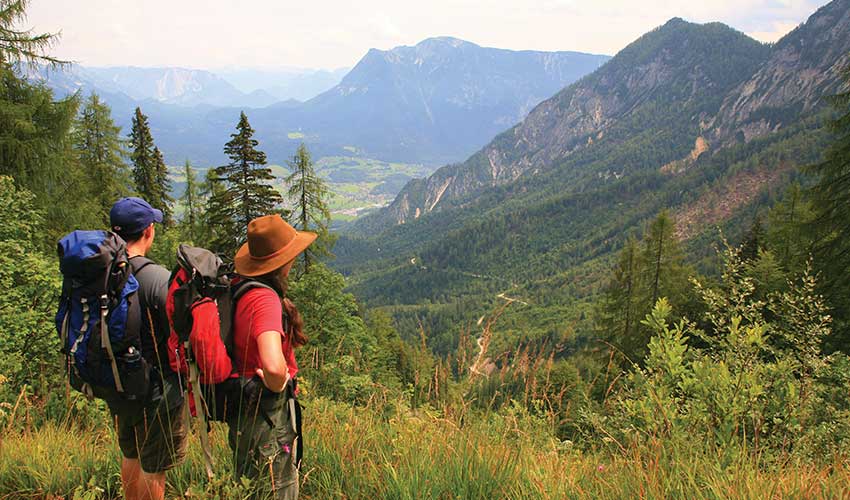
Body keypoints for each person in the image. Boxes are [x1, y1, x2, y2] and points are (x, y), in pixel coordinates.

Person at [228, 214, 315, 500]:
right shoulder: (264, 300)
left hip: (247, 414)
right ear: (282, 261)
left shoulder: (242, 290)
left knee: (253, 489)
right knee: (277, 490)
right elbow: (273, 364)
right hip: (267, 417)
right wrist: (279, 382)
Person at [108, 197, 188, 500]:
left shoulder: (105, 272)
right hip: (157, 388)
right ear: (148, 231)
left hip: (117, 382)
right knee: (154, 466)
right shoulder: (156, 278)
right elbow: (179, 330)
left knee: (131, 453)